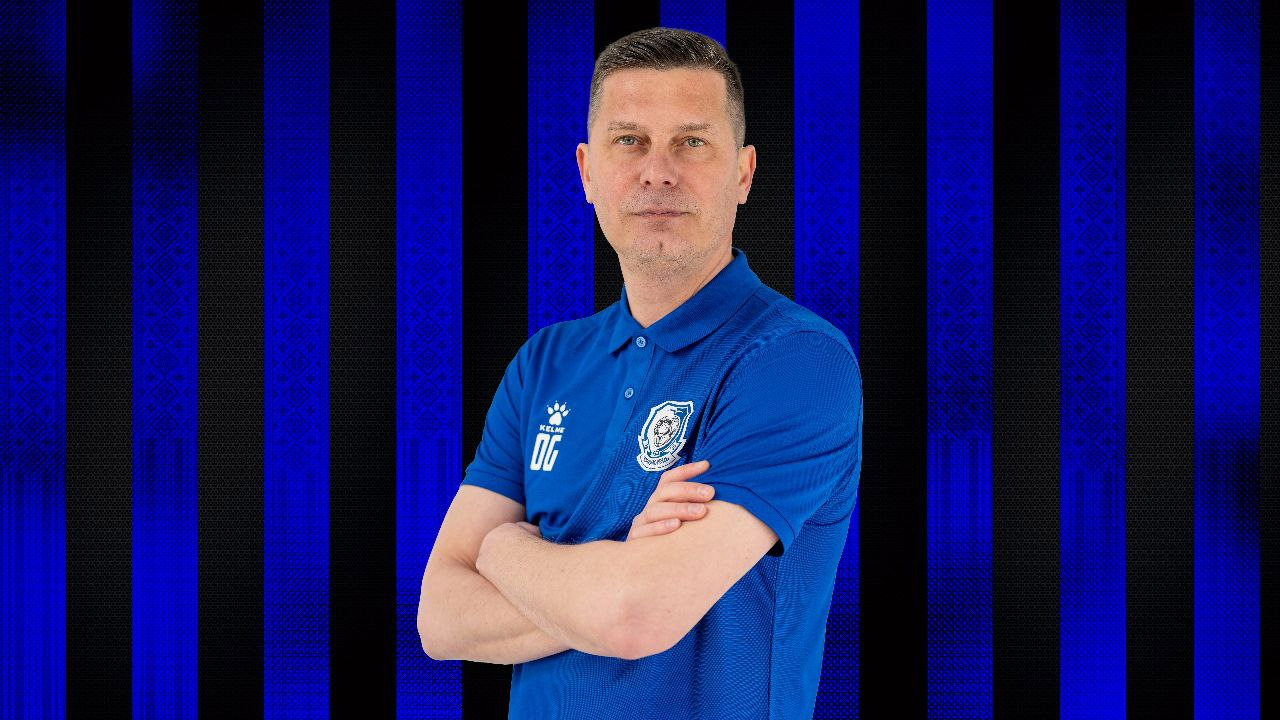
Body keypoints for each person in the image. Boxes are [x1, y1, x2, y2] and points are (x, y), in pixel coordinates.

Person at [418, 26, 863, 720]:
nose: (659, 171)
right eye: (630, 141)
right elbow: (440, 619)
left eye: (692, 142)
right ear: (587, 171)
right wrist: (615, 573)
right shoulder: (543, 363)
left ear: (743, 173)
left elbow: (635, 618)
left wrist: (502, 549)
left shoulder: (797, 360)